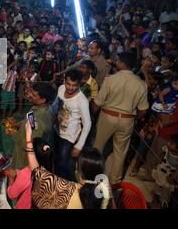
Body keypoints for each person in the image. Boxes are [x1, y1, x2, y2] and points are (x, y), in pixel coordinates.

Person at [25, 122, 112, 209]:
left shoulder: (68, 189)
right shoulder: (105, 190)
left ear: (79, 170)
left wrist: (28, 138)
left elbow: (37, 171)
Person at [92, 52, 149, 184]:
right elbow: (143, 110)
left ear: (122, 63)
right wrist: (133, 119)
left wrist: (93, 116)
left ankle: (93, 175)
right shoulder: (141, 84)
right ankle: (115, 182)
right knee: (120, 152)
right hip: (127, 119)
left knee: (98, 146)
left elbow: (97, 103)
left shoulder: (110, 79)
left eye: (117, 61)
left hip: (107, 116)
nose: (116, 62)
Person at [55, 69, 92, 181]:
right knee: (56, 160)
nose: (70, 87)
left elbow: (87, 124)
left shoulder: (82, 100)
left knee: (64, 164)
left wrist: (79, 145)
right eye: (68, 84)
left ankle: (66, 186)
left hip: (69, 137)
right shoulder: (61, 89)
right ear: (64, 81)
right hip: (57, 131)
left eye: (74, 85)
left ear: (79, 84)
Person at [12, 82, 57, 170]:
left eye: (33, 94)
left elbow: (31, 145)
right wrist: (18, 124)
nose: (29, 95)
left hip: (25, 162)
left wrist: (14, 134)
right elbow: (30, 120)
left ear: (43, 100)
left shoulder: (40, 118)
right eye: (31, 92)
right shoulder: (39, 107)